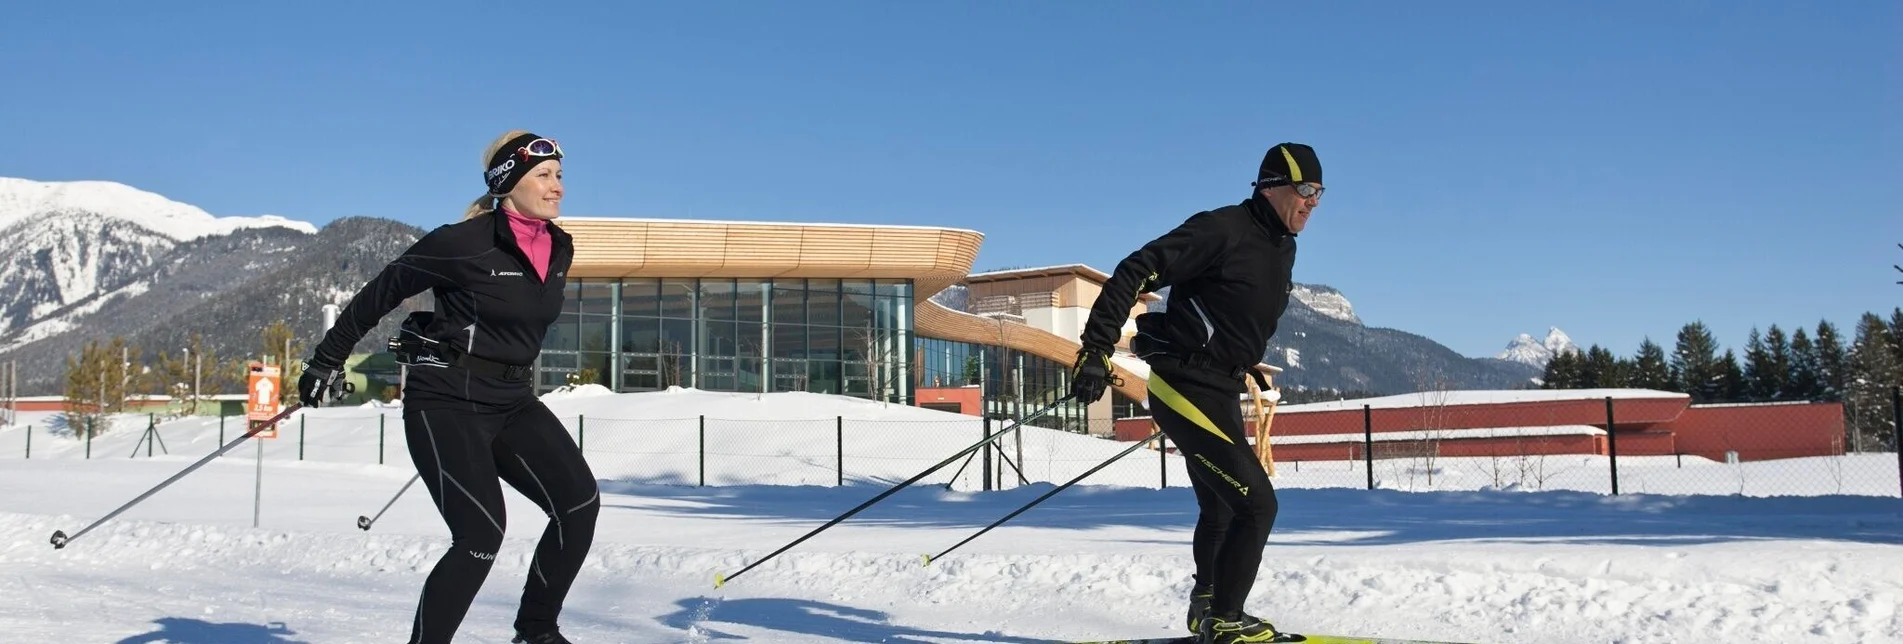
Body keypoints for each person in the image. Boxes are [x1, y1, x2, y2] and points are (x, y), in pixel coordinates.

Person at [297, 130, 600, 644]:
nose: (558, 188)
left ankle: (536, 631)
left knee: (578, 503)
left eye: (560, 176)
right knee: (480, 536)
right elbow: (381, 294)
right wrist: (328, 359)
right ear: (510, 182)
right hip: (446, 402)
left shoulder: (559, 247)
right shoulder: (463, 243)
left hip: (513, 400)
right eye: (544, 176)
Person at [1070, 143, 1322, 644]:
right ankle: (1227, 619)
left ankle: (1207, 605)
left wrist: (1245, 359)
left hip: (1222, 385)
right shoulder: (1222, 228)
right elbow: (1135, 268)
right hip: (1185, 385)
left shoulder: (1282, 245)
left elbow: (1228, 311)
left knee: (1224, 507)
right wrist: (1096, 346)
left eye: (1320, 193)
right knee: (1258, 505)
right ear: (1272, 187)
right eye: (1306, 190)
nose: (1313, 202)